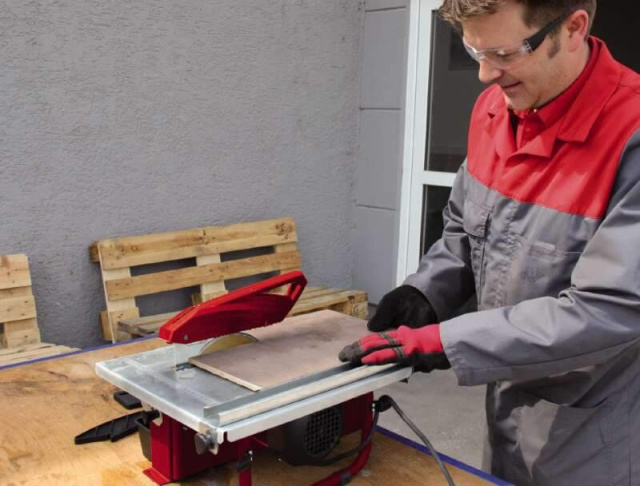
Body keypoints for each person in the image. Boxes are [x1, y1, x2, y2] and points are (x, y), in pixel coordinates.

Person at [339, 0, 640, 484]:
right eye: (474, 51)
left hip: (595, 437)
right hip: (505, 417)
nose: (484, 75)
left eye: (503, 54)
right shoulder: (496, 109)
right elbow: (465, 227)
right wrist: (426, 292)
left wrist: (445, 341)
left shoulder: (631, 136)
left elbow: (608, 309)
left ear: (573, 28)